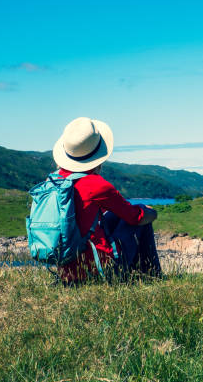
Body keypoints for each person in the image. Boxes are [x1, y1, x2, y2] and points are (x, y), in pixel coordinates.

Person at [51, 117, 161, 283]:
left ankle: (142, 275)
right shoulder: (97, 185)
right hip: (99, 270)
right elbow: (135, 217)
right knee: (141, 215)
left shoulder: (53, 181)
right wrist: (151, 212)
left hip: (67, 270)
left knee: (114, 216)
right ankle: (153, 275)